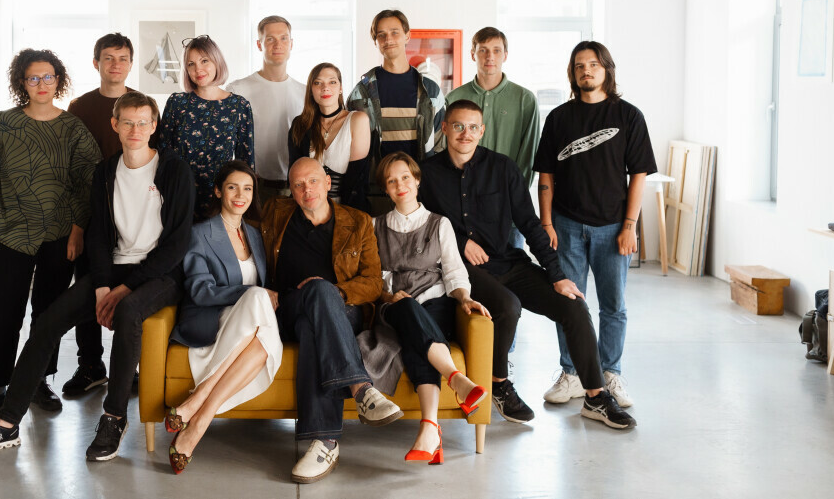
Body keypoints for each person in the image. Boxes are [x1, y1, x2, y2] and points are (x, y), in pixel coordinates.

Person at [0, 91, 196, 461]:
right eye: (127, 122)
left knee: (129, 311)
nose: (135, 130)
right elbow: (97, 236)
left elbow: (177, 244)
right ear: (115, 125)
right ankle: (6, 424)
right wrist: (102, 286)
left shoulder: (174, 170)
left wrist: (124, 288)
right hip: (115, 267)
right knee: (47, 322)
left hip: (161, 273)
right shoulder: (106, 172)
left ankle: (114, 418)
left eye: (143, 122)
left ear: (154, 126)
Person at [420, 100, 636, 430]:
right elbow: (422, 223)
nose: (466, 134)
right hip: (461, 269)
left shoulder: (503, 168)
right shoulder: (427, 174)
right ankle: (499, 385)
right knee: (508, 306)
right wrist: (461, 241)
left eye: (473, 127)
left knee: (574, 305)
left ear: (482, 131)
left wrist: (557, 275)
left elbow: (530, 224)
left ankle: (595, 396)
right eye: (459, 126)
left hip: (507, 261)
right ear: (445, 128)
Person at [0, 48, 101, 422]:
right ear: (22, 83)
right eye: (33, 78)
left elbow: (88, 180)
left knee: (48, 315)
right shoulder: (5, 123)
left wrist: (78, 229)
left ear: (59, 80)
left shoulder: (72, 128)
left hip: (60, 234)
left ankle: (40, 381)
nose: (42, 84)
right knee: (4, 312)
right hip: (12, 232)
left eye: (48, 77)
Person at [260, 157, 402, 484]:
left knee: (316, 316)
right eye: (298, 185)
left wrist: (336, 292)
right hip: (287, 308)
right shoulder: (275, 214)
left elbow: (373, 283)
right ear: (291, 191)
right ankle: (362, 390)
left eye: (312, 181)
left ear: (327, 182)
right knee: (314, 300)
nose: (306, 190)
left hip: (342, 309)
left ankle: (324, 442)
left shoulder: (358, 221)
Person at [535, 41, 657, 409]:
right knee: (569, 304)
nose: (586, 70)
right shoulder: (559, 118)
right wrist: (546, 223)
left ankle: (610, 373)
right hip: (566, 225)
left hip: (612, 228)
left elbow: (638, 175)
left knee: (613, 306)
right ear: (572, 73)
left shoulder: (629, 116)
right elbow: (546, 174)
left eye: (593, 64)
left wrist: (629, 226)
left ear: (606, 69)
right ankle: (572, 373)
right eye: (579, 65)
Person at [360, 152, 488, 465]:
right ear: (385, 189)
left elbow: (454, 271)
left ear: (417, 180)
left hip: (434, 302)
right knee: (406, 310)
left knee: (416, 342)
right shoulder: (375, 226)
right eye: (391, 181)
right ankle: (456, 380)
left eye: (405, 177)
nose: (400, 185)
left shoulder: (439, 224)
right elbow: (375, 279)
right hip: (395, 305)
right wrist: (389, 297)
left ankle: (430, 429)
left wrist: (464, 298)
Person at [166, 161, 283, 474]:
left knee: (263, 333)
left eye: (247, 189)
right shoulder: (199, 234)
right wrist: (252, 293)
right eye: (232, 187)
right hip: (210, 319)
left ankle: (198, 415)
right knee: (257, 297)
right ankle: (198, 406)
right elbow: (200, 291)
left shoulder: (255, 236)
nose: (240, 195)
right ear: (218, 191)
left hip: (248, 327)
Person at [62, 32, 136, 399]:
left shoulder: (140, 105)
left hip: (133, 217)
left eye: (122, 58)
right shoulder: (80, 107)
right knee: (89, 289)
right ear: (96, 63)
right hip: (91, 217)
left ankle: (130, 368)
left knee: (131, 292)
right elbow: (72, 170)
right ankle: (90, 365)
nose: (115, 65)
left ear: (131, 64)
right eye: (108, 58)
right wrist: (77, 227)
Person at [446, 27, 540, 249]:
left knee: (512, 267)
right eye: (483, 50)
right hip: (464, 209)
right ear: (473, 54)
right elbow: (446, 152)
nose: (490, 56)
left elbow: (529, 157)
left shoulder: (525, 99)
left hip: (507, 211)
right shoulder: (454, 98)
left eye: (496, 50)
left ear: (505, 55)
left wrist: (514, 201)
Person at [347, 9, 445, 212]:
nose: (388, 39)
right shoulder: (361, 93)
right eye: (381, 35)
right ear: (375, 41)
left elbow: (440, 147)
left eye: (394, 32)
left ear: (407, 36)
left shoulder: (431, 92)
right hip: (376, 196)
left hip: (422, 196)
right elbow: (350, 151)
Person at [159, 35, 255, 221]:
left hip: (221, 198)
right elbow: (163, 154)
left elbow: (246, 163)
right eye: (191, 64)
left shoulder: (239, 106)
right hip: (180, 196)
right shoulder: (177, 103)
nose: (198, 69)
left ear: (217, 61)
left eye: (204, 61)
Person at [228, 16, 306, 201]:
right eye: (270, 39)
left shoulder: (305, 93)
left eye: (284, 38)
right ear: (259, 44)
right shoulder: (238, 90)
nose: (278, 45)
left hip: (295, 188)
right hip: (252, 187)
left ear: (291, 43)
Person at [288, 62, 371, 212]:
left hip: (348, 209)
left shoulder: (358, 120)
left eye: (332, 82)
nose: (325, 88)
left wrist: (338, 217)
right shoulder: (300, 124)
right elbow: (295, 176)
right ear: (311, 90)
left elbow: (357, 179)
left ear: (340, 88)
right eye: (318, 83)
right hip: (307, 210)